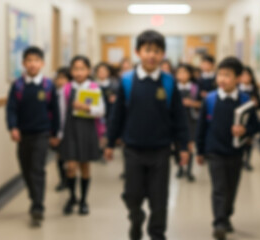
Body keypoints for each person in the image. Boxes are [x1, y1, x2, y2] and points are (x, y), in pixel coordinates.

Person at [104, 30, 190, 240]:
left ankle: (157, 233)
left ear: (163, 54)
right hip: (132, 149)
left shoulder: (169, 82)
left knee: (159, 199)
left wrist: (184, 146)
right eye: (147, 50)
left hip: (161, 150)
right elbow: (117, 116)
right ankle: (136, 219)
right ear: (137, 52)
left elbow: (179, 117)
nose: (152, 55)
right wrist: (109, 143)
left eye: (157, 51)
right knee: (132, 196)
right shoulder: (127, 81)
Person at [196, 57, 259, 240]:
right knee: (219, 188)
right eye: (220, 74)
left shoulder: (245, 100)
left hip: (236, 152)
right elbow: (201, 127)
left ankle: (226, 215)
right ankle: (219, 222)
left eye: (227, 75)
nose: (222, 79)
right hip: (214, 151)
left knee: (231, 188)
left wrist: (245, 129)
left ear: (238, 78)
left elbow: (256, 125)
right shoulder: (211, 99)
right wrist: (200, 151)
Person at [6, 46, 60, 226]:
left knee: (37, 169)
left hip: (42, 134)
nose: (32, 64)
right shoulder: (18, 85)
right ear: (23, 63)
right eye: (29, 60)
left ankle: (38, 206)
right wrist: (13, 127)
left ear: (42, 64)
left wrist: (55, 132)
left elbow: (55, 111)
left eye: (36, 60)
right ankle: (34, 195)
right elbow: (11, 109)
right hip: (23, 135)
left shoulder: (48, 86)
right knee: (26, 168)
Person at [57, 56, 106, 216]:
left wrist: (86, 108)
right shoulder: (66, 88)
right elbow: (62, 113)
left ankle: (84, 201)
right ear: (71, 71)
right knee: (71, 167)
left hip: (87, 130)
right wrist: (60, 134)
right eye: (75, 69)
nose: (79, 72)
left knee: (85, 166)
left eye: (82, 69)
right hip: (70, 131)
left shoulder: (94, 87)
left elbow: (101, 111)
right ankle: (72, 197)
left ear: (88, 70)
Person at [174, 63, 201, 182]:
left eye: (185, 72)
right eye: (179, 72)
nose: (182, 75)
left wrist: (192, 103)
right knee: (178, 145)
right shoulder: (173, 87)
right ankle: (180, 167)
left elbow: (202, 104)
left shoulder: (195, 87)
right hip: (176, 121)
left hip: (191, 120)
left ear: (190, 74)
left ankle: (189, 170)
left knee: (190, 145)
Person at [238, 66, 260, 171]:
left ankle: (247, 161)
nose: (245, 77)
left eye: (247, 75)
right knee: (240, 141)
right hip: (239, 119)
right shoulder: (237, 89)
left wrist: (256, 103)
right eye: (243, 75)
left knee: (249, 140)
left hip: (250, 118)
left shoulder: (254, 89)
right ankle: (239, 160)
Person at [53, 67, 71, 191]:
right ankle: (62, 180)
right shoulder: (54, 93)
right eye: (59, 78)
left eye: (64, 78)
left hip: (71, 129)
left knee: (70, 158)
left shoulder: (71, 92)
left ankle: (70, 181)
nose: (61, 81)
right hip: (58, 130)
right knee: (59, 156)